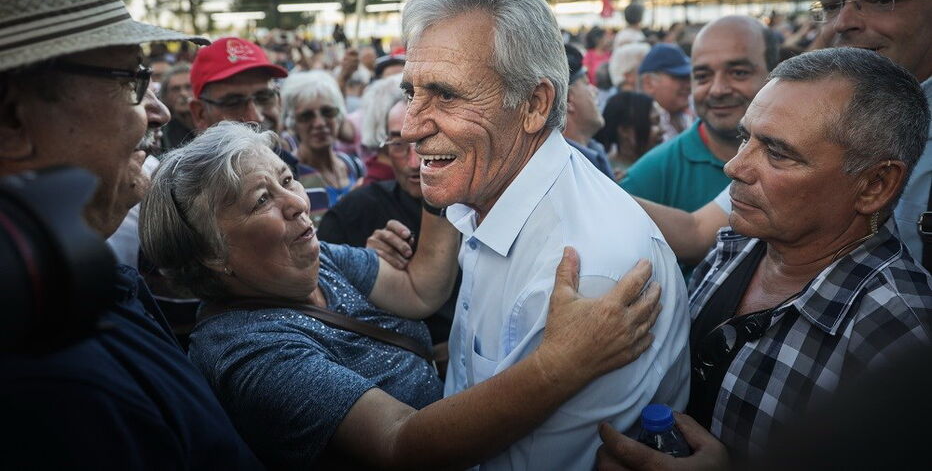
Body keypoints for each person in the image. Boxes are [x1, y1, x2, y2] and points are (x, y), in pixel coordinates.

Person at [139, 120, 664, 468]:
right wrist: (565, 362)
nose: (296, 203)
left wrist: (441, 182)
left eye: (285, 179)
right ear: (211, 254)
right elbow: (401, 444)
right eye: (260, 200)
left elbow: (419, 289)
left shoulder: (313, 260)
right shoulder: (247, 352)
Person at [0, 0, 261, 467]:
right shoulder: (50, 388)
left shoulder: (65, 297)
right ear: (13, 116)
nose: (157, 111)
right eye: (130, 78)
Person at [399, 0, 690, 469]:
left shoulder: (586, 274)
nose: (410, 126)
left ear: (534, 105)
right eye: (412, 92)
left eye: (446, 95)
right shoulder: (488, 193)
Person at [598, 48, 932, 464]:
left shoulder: (900, 333)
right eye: (745, 138)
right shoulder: (738, 245)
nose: (735, 167)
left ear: (874, 185)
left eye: (778, 153)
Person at [637, 0, 932, 270]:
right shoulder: (808, 116)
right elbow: (700, 233)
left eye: (881, 0)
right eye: (831, 4)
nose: (843, 21)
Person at [317, 74, 460, 344]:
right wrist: (366, 268)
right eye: (399, 145)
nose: (414, 162)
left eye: (426, 141)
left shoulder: (477, 205)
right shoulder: (352, 213)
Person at [622, 16, 774, 213]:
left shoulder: (803, 157)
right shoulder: (649, 178)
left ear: (774, 75)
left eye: (738, 73)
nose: (718, 90)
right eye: (703, 76)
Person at [280, 70, 365, 211]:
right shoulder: (288, 177)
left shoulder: (353, 165)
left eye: (328, 112)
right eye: (306, 116)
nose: (319, 123)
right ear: (292, 122)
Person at [564, 43, 614, 178]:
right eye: (587, 84)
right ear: (568, 100)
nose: (595, 91)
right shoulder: (566, 171)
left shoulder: (592, 149)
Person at [595, 90, 662, 180]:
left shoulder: (660, 164)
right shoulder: (608, 176)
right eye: (654, 123)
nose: (662, 130)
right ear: (625, 130)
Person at [638, 43, 693, 141]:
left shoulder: (690, 116)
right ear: (649, 83)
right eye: (679, 77)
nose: (689, 86)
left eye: (689, 78)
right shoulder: (641, 127)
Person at [158, 62, 195, 151]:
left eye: (189, 87)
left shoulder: (212, 122)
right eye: (176, 89)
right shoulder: (160, 133)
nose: (183, 93)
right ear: (165, 96)